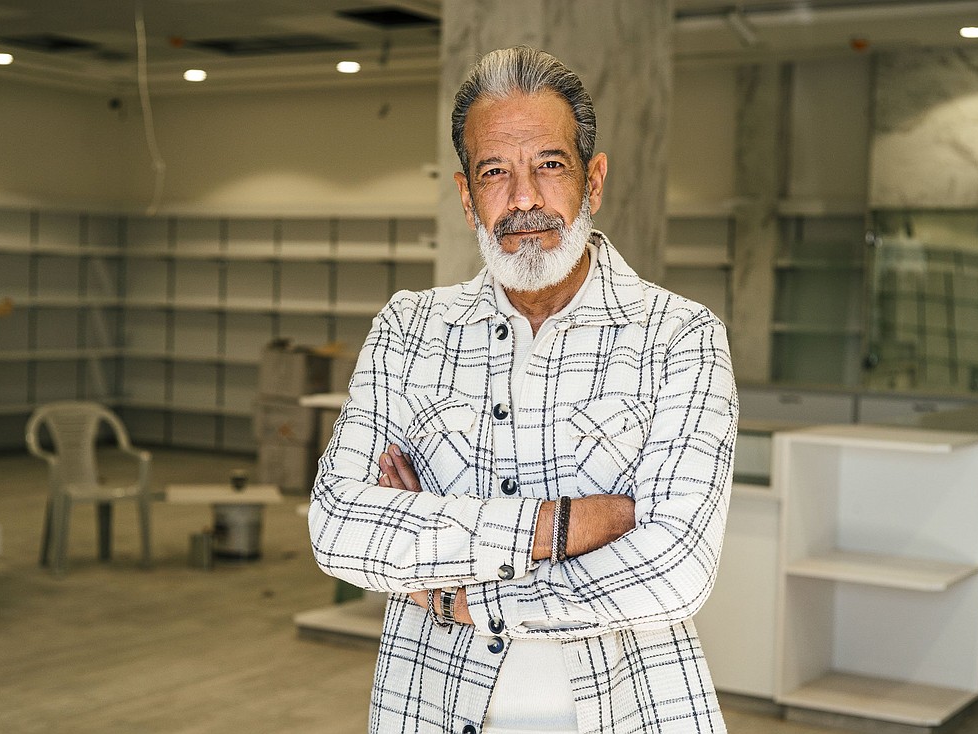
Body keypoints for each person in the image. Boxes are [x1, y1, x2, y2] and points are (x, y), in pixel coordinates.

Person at [308, 45, 737, 734]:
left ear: (593, 182)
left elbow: (676, 571)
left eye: (550, 165)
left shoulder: (679, 335)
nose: (524, 199)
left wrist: (455, 595)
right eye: (495, 172)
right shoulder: (408, 328)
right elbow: (337, 529)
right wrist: (568, 524)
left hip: (634, 715)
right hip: (429, 713)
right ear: (466, 195)